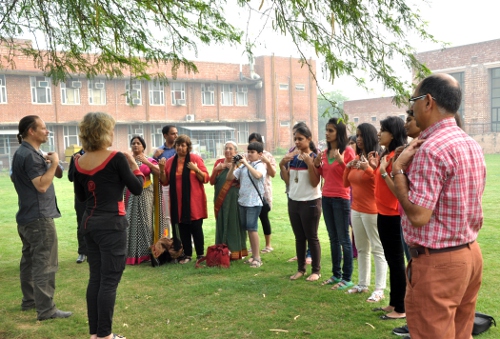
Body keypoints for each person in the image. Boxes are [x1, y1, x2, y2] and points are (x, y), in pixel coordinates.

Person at [393, 74, 485, 339]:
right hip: (469, 254)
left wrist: (398, 170)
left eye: (413, 101)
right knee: (461, 333)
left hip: (438, 263)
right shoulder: (470, 143)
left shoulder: (430, 149)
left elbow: (419, 216)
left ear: (428, 102)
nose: (412, 108)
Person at [73, 112, 144, 339]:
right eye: (111, 129)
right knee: (109, 280)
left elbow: (82, 196)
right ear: (103, 131)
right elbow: (137, 188)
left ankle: (95, 334)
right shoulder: (116, 158)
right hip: (112, 225)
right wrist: (134, 166)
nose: (113, 133)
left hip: (89, 225)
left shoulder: (78, 162)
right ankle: (105, 335)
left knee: (96, 277)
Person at [11, 115, 72, 321]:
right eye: (44, 128)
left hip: (27, 216)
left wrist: (52, 163)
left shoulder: (26, 152)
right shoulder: (29, 155)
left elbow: (57, 174)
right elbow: (42, 185)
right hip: (39, 218)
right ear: (31, 131)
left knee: (29, 261)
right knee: (44, 263)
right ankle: (46, 310)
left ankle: (30, 301)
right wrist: (54, 162)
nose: (47, 132)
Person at [367, 116, 407, 320]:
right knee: (392, 260)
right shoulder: (387, 154)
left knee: (397, 261)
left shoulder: (398, 157)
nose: (379, 133)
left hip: (393, 215)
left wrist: (383, 171)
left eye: (383, 130)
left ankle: (401, 308)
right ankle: (393, 302)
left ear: (392, 133)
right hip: (382, 213)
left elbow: (398, 189)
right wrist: (377, 167)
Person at [343, 124, 388, 302]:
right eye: (357, 135)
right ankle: (362, 283)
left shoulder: (376, 157)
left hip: (372, 210)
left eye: (361, 136)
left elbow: (379, 184)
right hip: (356, 209)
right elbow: (346, 184)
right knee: (362, 249)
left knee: (377, 249)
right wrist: (349, 166)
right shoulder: (359, 157)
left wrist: (368, 168)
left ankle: (379, 288)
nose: (358, 139)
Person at [314, 118, 356, 290]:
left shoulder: (347, 151)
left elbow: (351, 174)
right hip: (327, 198)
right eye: (326, 130)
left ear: (339, 132)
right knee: (332, 238)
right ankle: (335, 274)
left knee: (344, 238)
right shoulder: (324, 153)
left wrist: (341, 161)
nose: (327, 133)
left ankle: (347, 278)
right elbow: (324, 175)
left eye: (331, 130)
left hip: (341, 198)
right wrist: (316, 165)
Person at [279, 124, 322, 281]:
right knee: (299, 237)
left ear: (309, 139)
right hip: (294, 201)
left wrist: (310, 164)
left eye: (300, 139)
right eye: (295, 139)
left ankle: (316, 271)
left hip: (310, 202)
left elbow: (314, 182)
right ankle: (301, 269)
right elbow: (288, 181)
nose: (297, 142)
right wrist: (282, 165)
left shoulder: (315, 157)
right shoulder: (294, 157)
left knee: (312, 237)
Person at [158, 134, 209, 264]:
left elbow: (205, 178)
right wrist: (162, 170)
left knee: (196, 228)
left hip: (194, 201)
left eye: (183, 145)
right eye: (178, 145)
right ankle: (187, 254)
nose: (180, 148)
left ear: (188, 147)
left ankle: (200, 254)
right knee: (182, 228)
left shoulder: (195, 159)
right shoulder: (170, 162)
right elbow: (164, 182)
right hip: (178, 202)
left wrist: (196, 169)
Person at [227, 142, 267, 268]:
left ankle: (257, 258)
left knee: (252, 228)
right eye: (248, 151)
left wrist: (246, 164)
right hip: (243, 201)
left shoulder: (260, 166)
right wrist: (233, 165)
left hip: (254, 202)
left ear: (260, 154)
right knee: (248, 229)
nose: (249, 154)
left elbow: (258, 175)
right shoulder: (243, 166)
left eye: (252, 152)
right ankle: (253, 256)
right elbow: (229, 178)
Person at [125, 136, 161, 265]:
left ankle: (146, 254)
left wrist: (147, 163)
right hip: (130, 195)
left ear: (143, 147)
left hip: (146, 194)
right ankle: (131, 254)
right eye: (133, 143)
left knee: (146, 223)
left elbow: (160, 172)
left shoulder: (150, 160)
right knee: (130, 222)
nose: (135, 145)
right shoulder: (127, 161)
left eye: (138, 143)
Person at [210, 141, 248, 260]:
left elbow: (244, 181)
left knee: (234, 222)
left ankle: (236, 251)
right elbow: (211, 181)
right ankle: (221, 250)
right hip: (220, 199)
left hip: (234, 198)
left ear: (235, 151)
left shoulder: (239, 163)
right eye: (226, 148)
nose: (228, 151)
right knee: (222, 222)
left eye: (231, 149)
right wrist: (217, 169)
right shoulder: (218, 162)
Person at [248, 132, 276, 253]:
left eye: (256, 142)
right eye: (252, 142)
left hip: (263, 192)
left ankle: (268, 244)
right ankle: (253, 246)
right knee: (250, 220)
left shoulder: (267, 156)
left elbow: (273, 174)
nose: (254, 145)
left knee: (264, 217)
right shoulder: (246, 156)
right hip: (250, 193)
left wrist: (267, 162)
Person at [153, 125, 178, 238]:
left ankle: (185, 240)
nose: (176, 135)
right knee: (166, 215)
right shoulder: (160, 151)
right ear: (165, 135)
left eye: (176, 133)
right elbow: (152, 167)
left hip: (179, 185)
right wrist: (154, 156)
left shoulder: (180, 149)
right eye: (173, 133)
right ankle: (168, 240)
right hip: (165, 186)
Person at [68, 148, 88, 263]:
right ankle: (82, 252)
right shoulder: (75, 156)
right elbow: (71, 177)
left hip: (95, 195)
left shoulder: (97, 155)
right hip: (81, 197)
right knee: (81, 223)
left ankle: (94, 251)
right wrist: (77, 164)